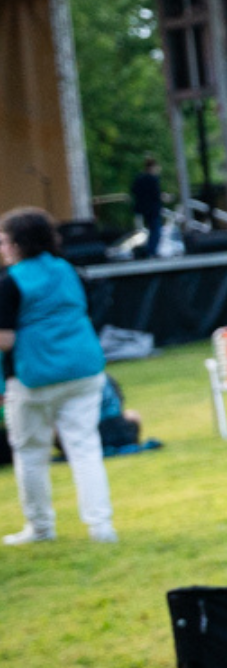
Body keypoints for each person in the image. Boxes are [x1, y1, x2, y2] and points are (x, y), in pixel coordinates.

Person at [2, 207, 115, 546]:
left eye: (4, 241)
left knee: (30, 452)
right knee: (84, 448)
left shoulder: (11, 282)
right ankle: (101, 528)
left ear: (19, 243)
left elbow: (5, 340)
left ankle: (40, 527)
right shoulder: (69, 270)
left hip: (33, 376)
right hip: (83, 369)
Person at [128, 155, 164, 248]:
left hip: (142, 208)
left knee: (147, 229)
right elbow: (156, 194)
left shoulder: (139, 178)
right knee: (156, 230)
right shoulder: (153, 179)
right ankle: (151, 251)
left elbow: (133, 190)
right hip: (153, 209)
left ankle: (147, 249)